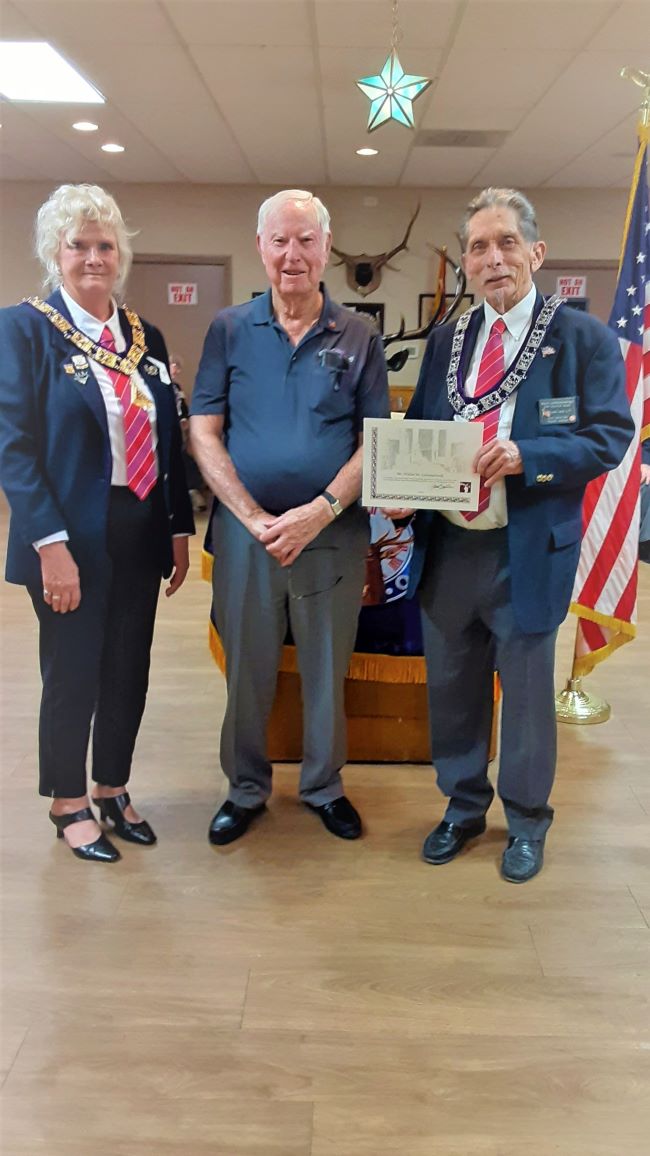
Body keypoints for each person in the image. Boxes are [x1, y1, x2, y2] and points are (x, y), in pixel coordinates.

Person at [399, 187, 633, 882]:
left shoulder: (582, 339)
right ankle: (462, 806)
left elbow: (609, 436)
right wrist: (402, 488)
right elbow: (423, 429)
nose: (493, 258)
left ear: (536, 252)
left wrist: (530, 455)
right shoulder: (448, 340)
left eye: (506, 242)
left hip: (526, 547)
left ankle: (527, 821)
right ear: (466, 263)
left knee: (527, 698)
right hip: (450, 546)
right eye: (478, 247)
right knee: (453, 687)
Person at [0, 184, 194, 863]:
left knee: (128, 667)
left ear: (121, 255)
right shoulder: (24, 329)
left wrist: (177, 528)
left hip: (138, 527)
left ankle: (112, 786)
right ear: (54, 253)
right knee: (74, 669)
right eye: (77, 245)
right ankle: (67, 800)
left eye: (104, 245)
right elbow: (14, 449)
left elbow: (167, 442)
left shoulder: (145, 337)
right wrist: (49, 546)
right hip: (67, 534)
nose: (92, 258)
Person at [190, 189, 390, 845]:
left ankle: (324, 787)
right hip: (245, 537)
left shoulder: (358, 335)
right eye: (280, 240)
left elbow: (374, 442)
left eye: (306, 240)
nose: (292, 254)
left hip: (331, 536)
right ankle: (245, 789)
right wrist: (250, 516)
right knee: (247, 668)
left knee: (326, 670)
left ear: (327, 248)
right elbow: (204, 430)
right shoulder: (228, 329)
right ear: (260, 247)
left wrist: (321, 510)